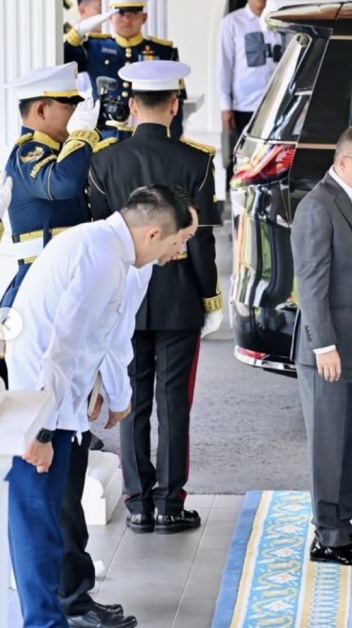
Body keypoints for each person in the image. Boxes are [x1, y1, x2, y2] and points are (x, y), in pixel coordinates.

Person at [5, 184, 193, 628]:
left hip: (54, 402)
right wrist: (43, 431)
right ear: (151, 234)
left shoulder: (106, 248)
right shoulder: (101, 256)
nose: (176, 253)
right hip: (41, 405)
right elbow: (62, 346)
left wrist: (100, 391)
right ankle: (43, 623)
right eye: (176, 242)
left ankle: (50, 617)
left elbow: (96, 338)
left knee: (50, 521)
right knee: (38, 523)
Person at [88, 61, 222, 535]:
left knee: (132, 399)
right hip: (178, 296)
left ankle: (138, 503)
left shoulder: (104, 161)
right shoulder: (197, 161)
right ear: (174, 104)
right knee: (173, 402)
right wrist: (209, 296)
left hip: (123, 297)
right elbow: (200, 238)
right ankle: (170, 502)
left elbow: (102, 238)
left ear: (129, 106)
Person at [290, 124, 352, 566]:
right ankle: (327, 538)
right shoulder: (318, 207)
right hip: (327, 349)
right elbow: (310, 284)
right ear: (343, 162)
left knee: (349, 443)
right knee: (328, 445)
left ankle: (342, 525)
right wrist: (323, 345)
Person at [1, 62, 104, 386]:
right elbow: (61, 184)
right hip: (38, 284)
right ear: (41, 110)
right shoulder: (29, 152)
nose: (75, 112)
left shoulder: (60, 150)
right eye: (68, 104)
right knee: (38, 390)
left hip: (62, 280)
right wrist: (83, 135)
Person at [64, 1, 186, 139]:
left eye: (134, 13)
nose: (127, 19)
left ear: (144, 17)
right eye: (120, 13)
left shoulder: (163, 51)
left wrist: (171, 139)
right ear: (110, 18)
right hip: (105, 135)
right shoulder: (94, 47)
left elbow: (176, 100)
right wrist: (77, 32)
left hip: (147, 136)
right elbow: (63, 62)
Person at [218, 0, 282, 199]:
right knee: (244, 157)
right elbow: (224, 66)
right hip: (244, 104)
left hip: (277, 104)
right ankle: (238, 197)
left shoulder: (281, 18)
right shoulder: (232, 22)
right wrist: (225, 105)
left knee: (273, 157)